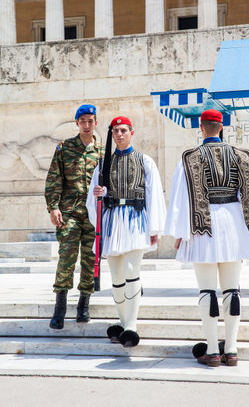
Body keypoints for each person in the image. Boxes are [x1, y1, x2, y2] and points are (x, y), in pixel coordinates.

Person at [164, 109, 249, 367]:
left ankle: (212, 350)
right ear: (221, 127)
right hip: (234, 226)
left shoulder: (189, 158)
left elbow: (182, 197)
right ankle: (232, 350)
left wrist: (180, 234)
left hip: (204, 226)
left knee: (206, 289)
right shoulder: (241, 155)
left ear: (201, 128)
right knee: (232, 289)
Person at [86, 116, 166, 347]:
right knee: (117, 277)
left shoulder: (145, 161)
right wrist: (98, 195)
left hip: (134, 220)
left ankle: (132, 324)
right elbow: (92, 199)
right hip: (112, 222)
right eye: (116, 131)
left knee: (132, 271)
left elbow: (154, 195)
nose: (119, 134)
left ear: (132, 133)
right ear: (112, 135)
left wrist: (154, 227)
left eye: (123, 130)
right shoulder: (102, 165)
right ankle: (123, 322)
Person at [45, 104, 102, 329]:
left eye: (90, 121)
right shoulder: (65, 147)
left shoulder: (102, 151)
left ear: (95, 123)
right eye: (82, 121)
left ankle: (83, 305)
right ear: (76, 123)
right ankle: (59, 307)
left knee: (90, 259)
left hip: (93, 215)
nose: (87, 125)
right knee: (67, 256)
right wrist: (53, 207)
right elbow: (54, 178)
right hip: (68, 212)